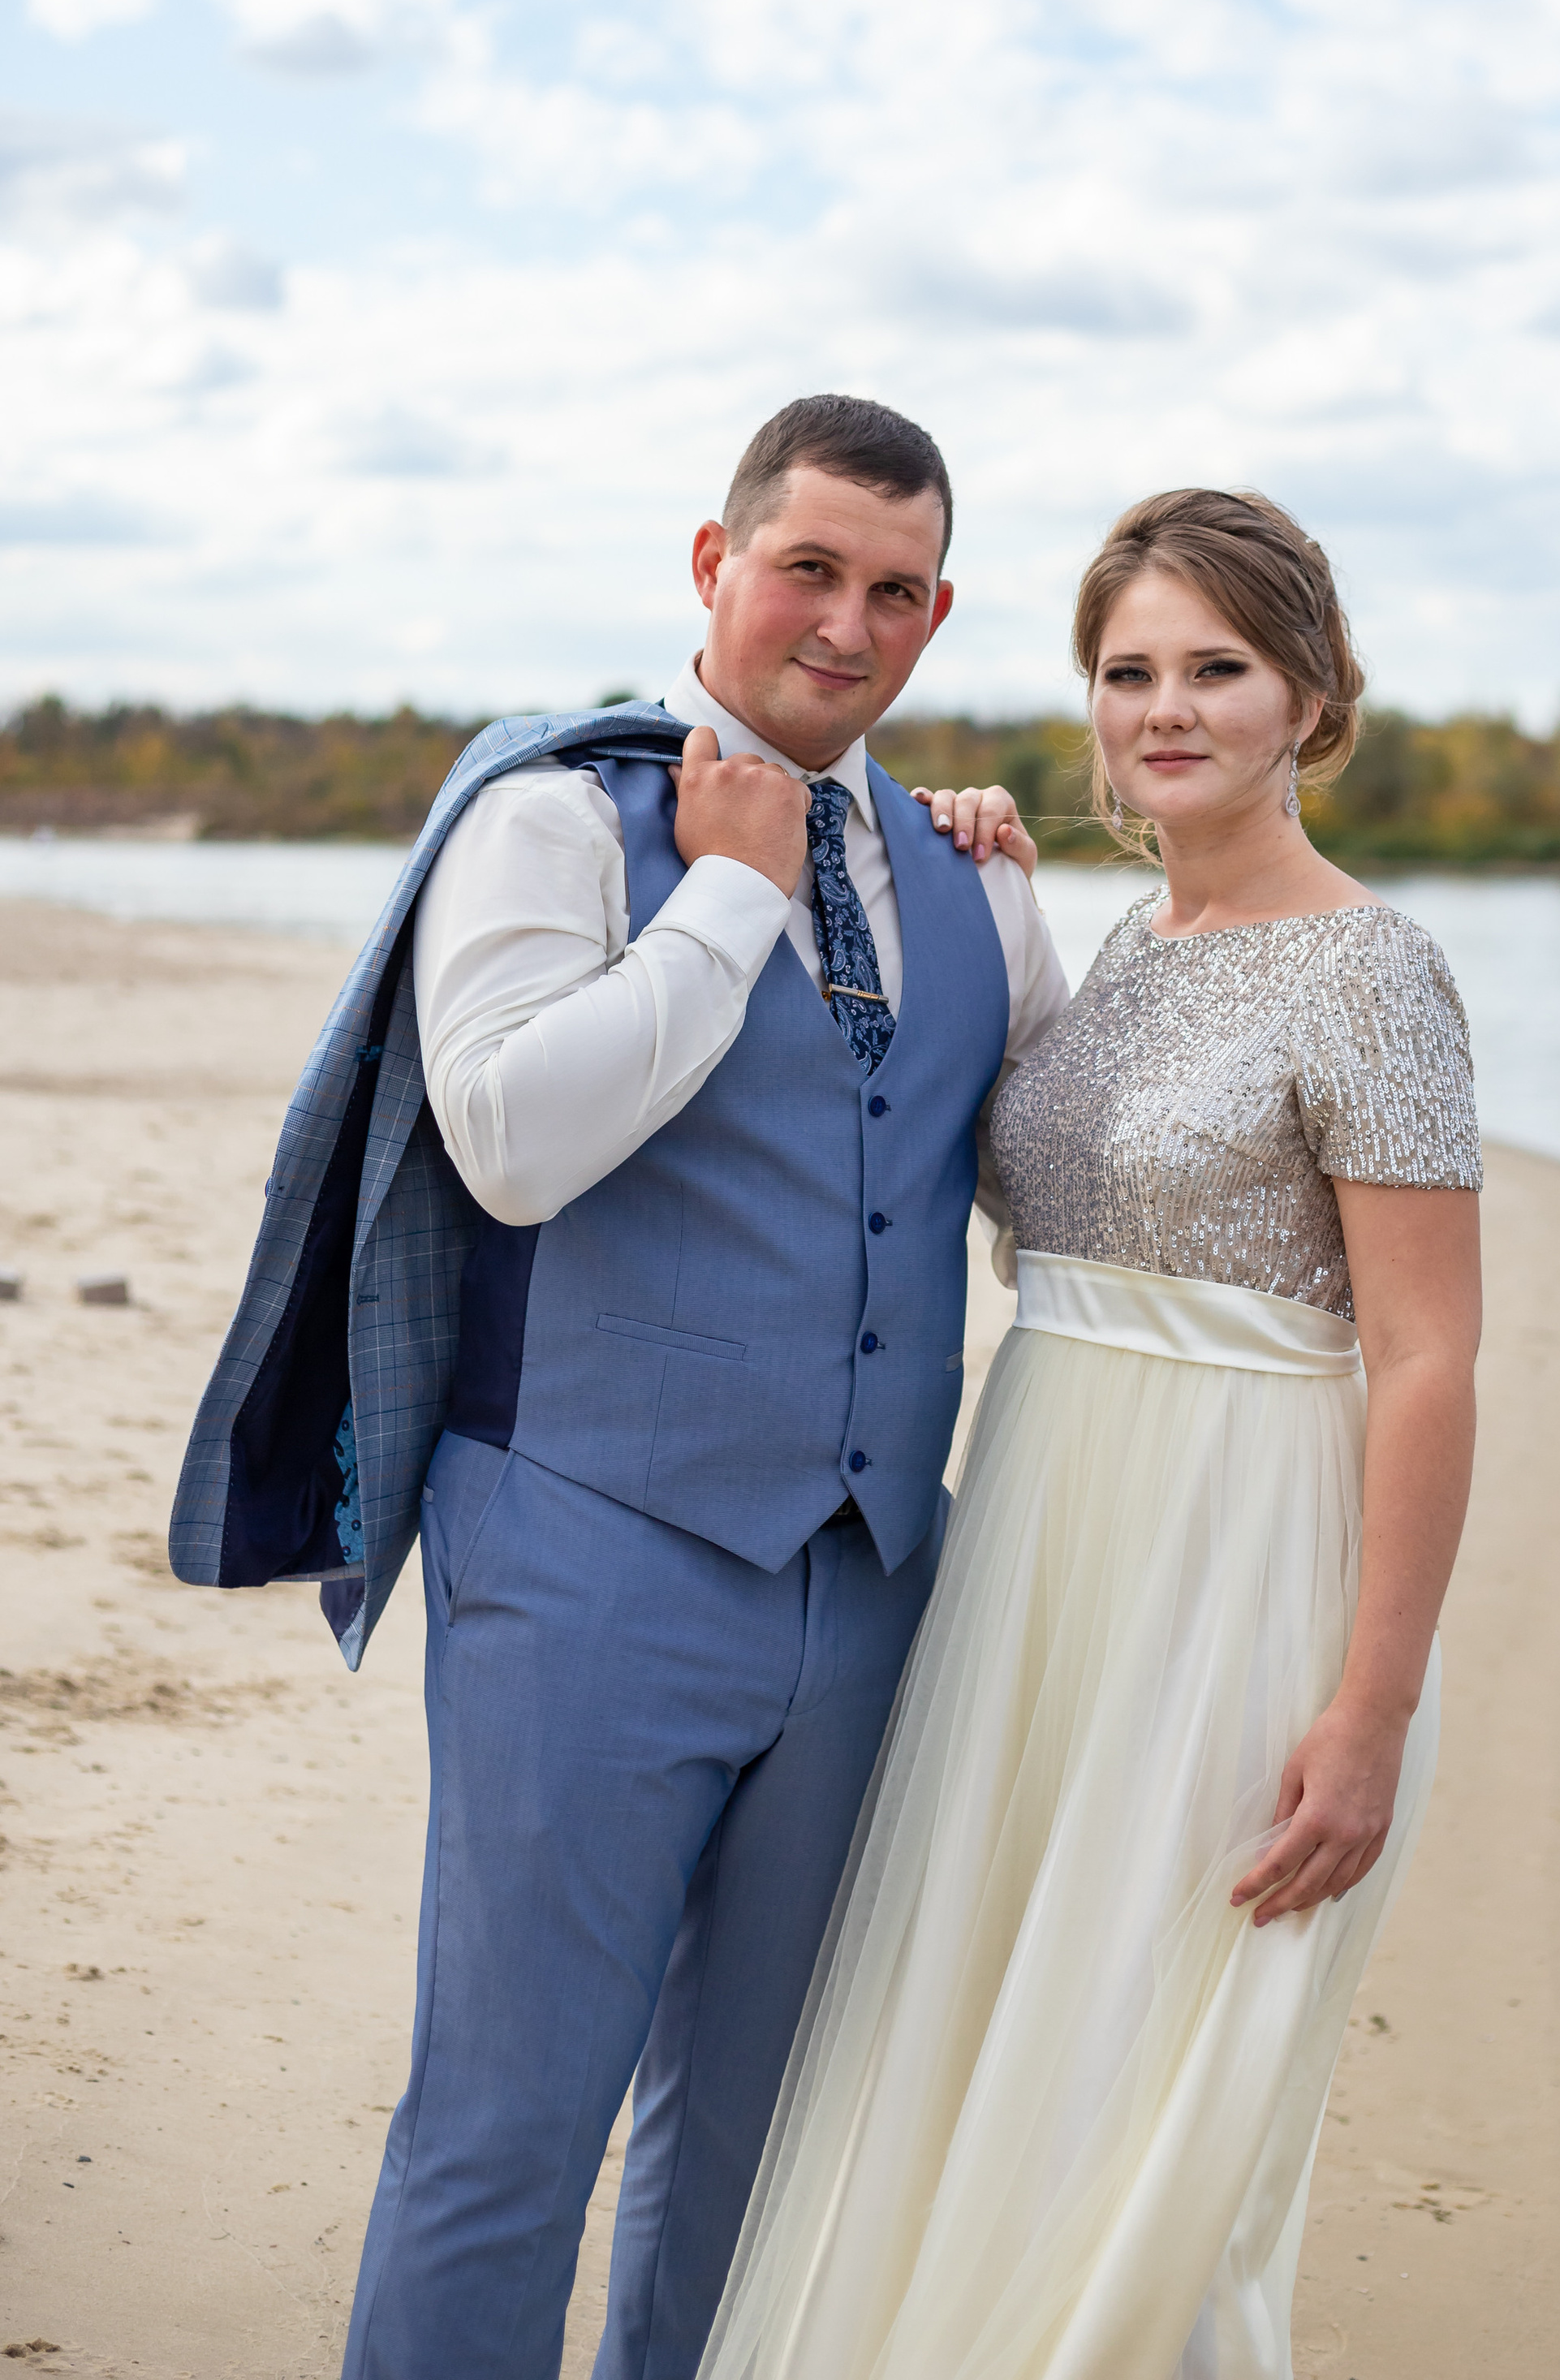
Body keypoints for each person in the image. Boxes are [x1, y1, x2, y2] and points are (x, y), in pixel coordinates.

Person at [169, 393, 1064, 2380]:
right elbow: (506, 1141)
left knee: (745, 2149)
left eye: (894, 591)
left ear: (936, 617)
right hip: (582, 1560)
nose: (845, 623)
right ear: (711, 565)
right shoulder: (553, 817)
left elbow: (1050, 1200)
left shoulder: (974, 876)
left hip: (860, 1587)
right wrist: (731, 894)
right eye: (808, 569)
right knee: (504, 2134)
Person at [697, 486, 1484, 2380]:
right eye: (1127, 671)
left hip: (1236, 1567)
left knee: (1153, 2117)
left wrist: (1365, 1714)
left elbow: (1432, 1357)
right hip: (1042, 1547)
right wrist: (979, 874)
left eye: (1216, 668)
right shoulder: (1119, 945)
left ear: (1309, 694)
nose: (1166, 709)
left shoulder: (1373, 971)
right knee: (998, 2058)